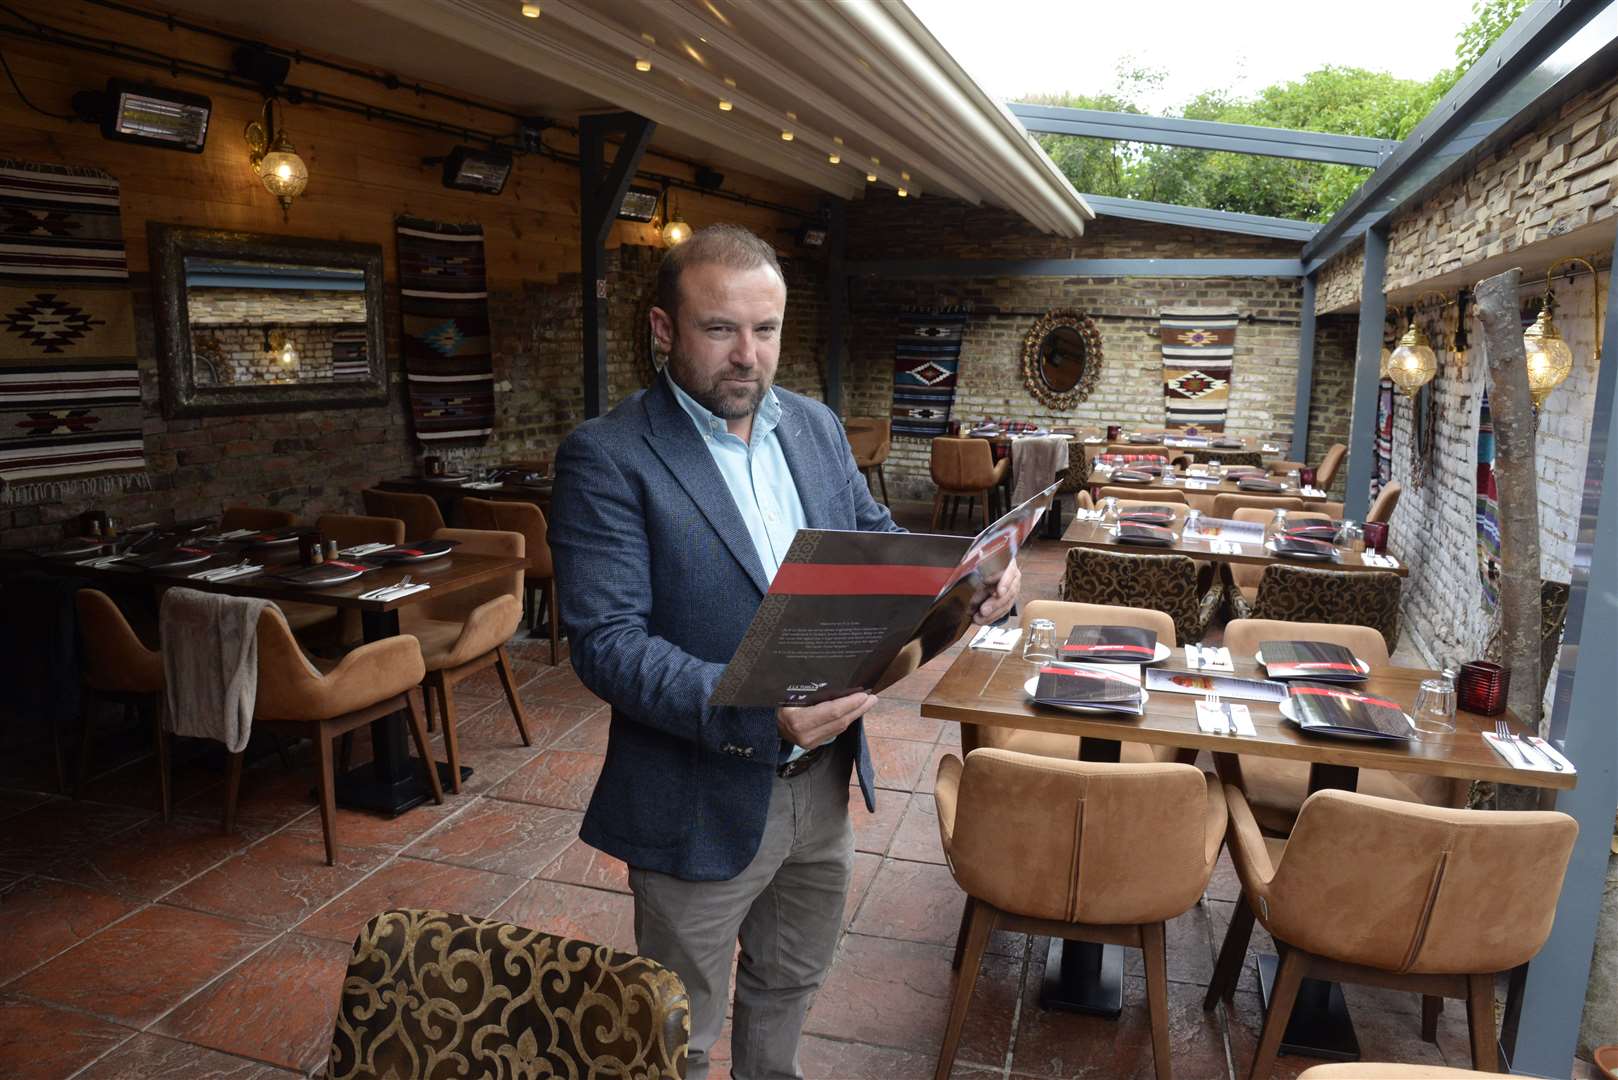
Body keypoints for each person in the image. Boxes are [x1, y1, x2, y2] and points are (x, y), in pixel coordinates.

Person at [549, 224, 1020, 1080]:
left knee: (789, 983)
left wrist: (968, 580)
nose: (748, 355)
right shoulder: (609, 457)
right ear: (663, 331)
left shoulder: (812, 425)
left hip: (825, 784)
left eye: (764, 330)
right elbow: (607, 646)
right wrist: (758, 714)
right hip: (694, 792)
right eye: (719, 329)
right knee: (675, 1034)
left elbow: (874, 544)